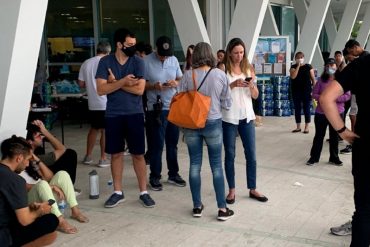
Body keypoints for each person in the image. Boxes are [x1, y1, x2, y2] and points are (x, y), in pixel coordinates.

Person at [95, 28, 155, 208]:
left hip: (135, 113)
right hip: (113, 114)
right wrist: (122, 82)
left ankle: (144, 192)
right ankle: (117, 192)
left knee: (138, 154)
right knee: (116, 154)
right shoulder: (105, 62)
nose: (132, 48)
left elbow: (139, 90)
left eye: (134, 45)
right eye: (129, 45)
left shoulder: (138, 62)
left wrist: (114, 83)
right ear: (119, 44)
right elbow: (100, 89)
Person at [320, 40, 370, 246]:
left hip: (366, 146)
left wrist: (342, 131)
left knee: (365, 209)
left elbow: (325, 98)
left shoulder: (362, 64)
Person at [180, 42, 234, 221]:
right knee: (216, 166)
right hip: (213, 122)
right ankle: (222, 208)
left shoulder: (187, 75)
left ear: (194, 55)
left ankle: (197, 206)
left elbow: (180, 99)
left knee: (195, 164)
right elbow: (227, 103)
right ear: (210, 55)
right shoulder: (220, 75)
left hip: (191, 123)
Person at [222, 38, 268, 204]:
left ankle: (252, 188)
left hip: (247, 116)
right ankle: (231, 190)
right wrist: (233, 84)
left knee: (251, 154)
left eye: (241, 52)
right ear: (229, 52)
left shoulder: (248, 68)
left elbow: (255, 96)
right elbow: (219, 92)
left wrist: (252, 86)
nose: (239, 56)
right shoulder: (223, 68)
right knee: (230, 154)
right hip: (229, 117)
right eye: (236, 53)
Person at [144, 36, 186, 191]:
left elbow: (181, 79)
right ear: (156, 48)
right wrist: (154, 86)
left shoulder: (173, 60)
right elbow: (141, 85)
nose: (164, 57)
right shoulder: (146, 61)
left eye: (167, 54)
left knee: (172, 144)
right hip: (156, 109)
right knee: (156, 145)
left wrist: (176, 83)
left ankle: (173, 174)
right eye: (162, 54)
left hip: (173, 107)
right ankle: (155, 176)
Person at [0, 135, 58, 246]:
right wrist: (40, 210)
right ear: (19, 158)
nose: (27, 164)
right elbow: (24, 220)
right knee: (51, 221)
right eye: (27, 160)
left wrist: (29, 208)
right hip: (3, 237)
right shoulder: (15, 180)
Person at [20, 155, 89, 234]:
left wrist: (37, 160)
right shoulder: (15, 169)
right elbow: (24, 187)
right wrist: (50, 186)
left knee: (62, 174)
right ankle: (60, 220)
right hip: (31, 201)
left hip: (44, 193)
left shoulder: (29, 165)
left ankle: (75, 210)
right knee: (42, 184)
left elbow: (49, 176)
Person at [306, 58, 351, 166]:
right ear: (325, 67)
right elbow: (314, 94)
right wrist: (323, 97)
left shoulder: (343, 80)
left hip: (336, 113)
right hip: (321, 113)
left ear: (337, 67)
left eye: (333, 65)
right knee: (319, 136)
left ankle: (334, 158)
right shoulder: (321, 80)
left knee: (334, 136)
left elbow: (347, 95)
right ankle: (314, 158)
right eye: (329, 66)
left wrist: (334, 98)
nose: (331, 68)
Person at [78, 41, 111, 168]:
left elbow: (81, 84)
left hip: (92, 102)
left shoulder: (86, 63)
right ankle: (103, 158)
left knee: (94, 128)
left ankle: (88, 156)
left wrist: (91, 85)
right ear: (108, 52)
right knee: (105, 131)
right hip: (106, 102)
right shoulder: (108, 63)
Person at [26, 120, 78, 186]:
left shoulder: (33, 151)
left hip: (41, 177)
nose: (41, 137)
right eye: (39, 136)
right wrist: (45, 131)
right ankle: (67, 186)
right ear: (30, 141)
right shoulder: (34, 157)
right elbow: (62, 149)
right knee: (70, 154)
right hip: (43, 183)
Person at [289, 51, 316, 134]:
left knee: (306, 108)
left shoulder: (308, 67)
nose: (299, 59)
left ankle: (306, 127)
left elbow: (313, 79)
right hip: (296, 91)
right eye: (297, 58)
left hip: (307, 91)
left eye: (301, 57)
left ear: (303, 58)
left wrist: (314, 91)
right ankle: (298, 127)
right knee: (297, 109)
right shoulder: (293, 67)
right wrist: (298, 66)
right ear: (295, 59)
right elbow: (293, 76)